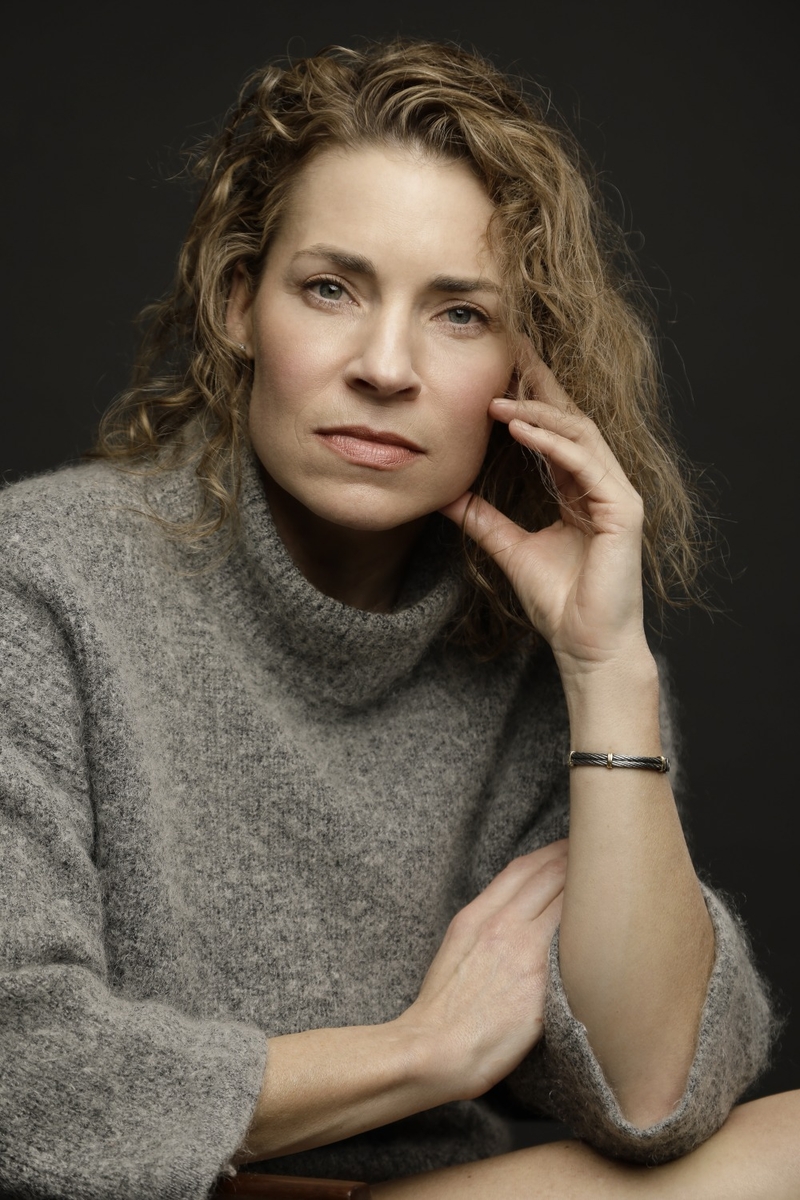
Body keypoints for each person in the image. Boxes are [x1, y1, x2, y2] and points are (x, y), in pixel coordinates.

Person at [0, 37, 796, 1200]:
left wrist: (605, 667)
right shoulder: (42, 578)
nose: (384, 366)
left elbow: (649, 1093)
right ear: (238, 304)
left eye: (458, 314)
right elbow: (24, 1077)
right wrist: (425, 1054)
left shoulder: (529, 646)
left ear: (523, 366)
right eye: (330, 288)